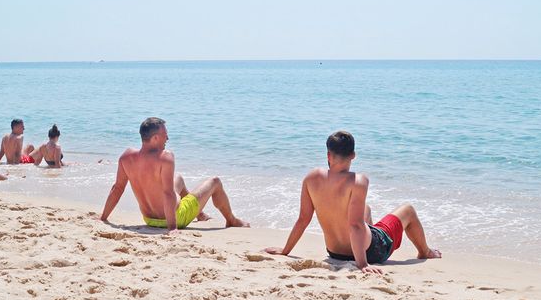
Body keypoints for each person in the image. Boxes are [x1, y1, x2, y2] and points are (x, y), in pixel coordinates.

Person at [265, 131, 441, 273]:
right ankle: (425, 252)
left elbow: (303, 219)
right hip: (370, 252)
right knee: (408, 210)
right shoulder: (358, 181)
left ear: (328, 154)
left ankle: (371, 232)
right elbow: (355, 225)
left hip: (334, 252)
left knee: (366, 209)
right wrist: (363, 264)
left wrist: (285, 250)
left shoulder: (312, 177)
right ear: (353, 155)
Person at [99, 117, 249, 232]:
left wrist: (103, 218)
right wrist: (172, 228)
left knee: (178, 179)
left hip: (148, 219)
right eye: (165, 135)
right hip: (175, 218)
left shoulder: (126, 157)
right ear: (155, 138)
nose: (168, 138)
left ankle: (200, 215)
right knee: (215, 181)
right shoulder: (165, 157)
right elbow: (168, 193)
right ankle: (231, 220)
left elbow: (117, 189)